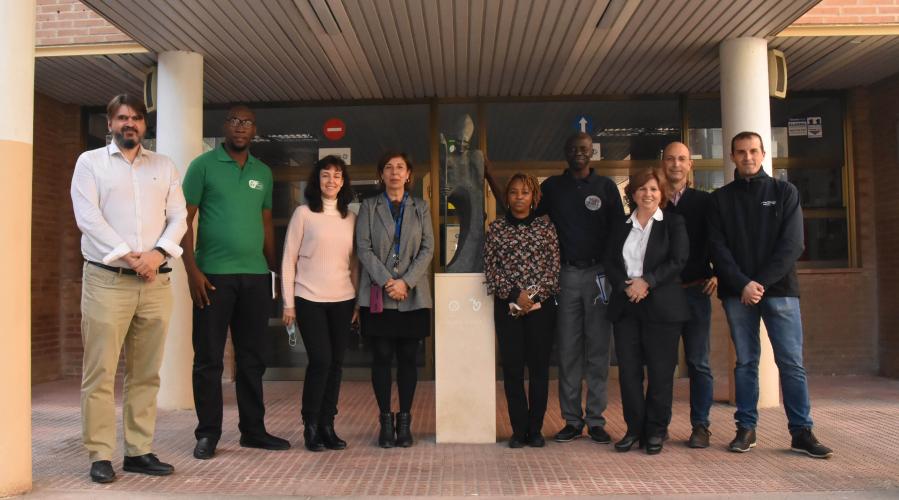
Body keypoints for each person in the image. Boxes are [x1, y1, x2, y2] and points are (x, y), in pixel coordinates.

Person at [71, 93, 187, 482]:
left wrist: (156, 255)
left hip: (155, 282)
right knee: (100, 373)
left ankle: (139, 451)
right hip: (107, 281)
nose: (130, 124)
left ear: (144, 124)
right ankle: (100, 455)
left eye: (136, 118)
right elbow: (88, 217)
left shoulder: (164, 166)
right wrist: (130, 256)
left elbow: (179, 217)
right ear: (110, 123)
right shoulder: (90, 164)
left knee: (146, 373)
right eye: (122, 117)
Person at [708, 131, 833, 459]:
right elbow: (718, 250)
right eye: (740, 152)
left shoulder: (784, 192)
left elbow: (793, 244)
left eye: (753, 151)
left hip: (779, 292)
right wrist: (743, 284)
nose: (747, 157)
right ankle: (745, 429)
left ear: (763, 154)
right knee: (746, 362)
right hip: (738, 294)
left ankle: (802, 432)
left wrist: (758, 283)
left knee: (790, 363)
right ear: (732, 156)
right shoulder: (721, 199)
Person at [181, 105, 290, 460]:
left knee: (252, 358)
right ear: (225, 126)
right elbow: (182, 220)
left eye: (248, 122)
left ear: (255, 129)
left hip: (255, 278)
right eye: (235, 121)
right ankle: (208, 433)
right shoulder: (202, 166)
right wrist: (192, 270)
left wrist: (274, 272)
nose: (241, 127)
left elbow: (266, 223)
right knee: (208, 359)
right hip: (212, 277)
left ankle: (253, 431)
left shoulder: (263, 172)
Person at [537, 132, 625, 444]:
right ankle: (572, 420)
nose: (579, 153)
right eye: (573, 148)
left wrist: (615, 275)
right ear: (565, 151)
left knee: (599, 350)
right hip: (565, 275)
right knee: (569, 351)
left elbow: (619, 233)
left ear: (592, 153)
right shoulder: (551, 187)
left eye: (584, 149)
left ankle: (596, 419)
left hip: (599, 275)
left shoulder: (606, 188)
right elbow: (533, 223)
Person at [604, 168, 689, 455]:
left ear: (661, 193)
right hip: (627, 306)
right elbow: (610, 262)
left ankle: (656, 431)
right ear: (633, 193)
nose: (647, 194)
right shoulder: (620, 226)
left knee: (660, 372)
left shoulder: (673, 223)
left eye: (653, 189)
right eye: (641, 189)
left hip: (662, 308)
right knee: (628, 373)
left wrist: (647, 282)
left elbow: (678, 260)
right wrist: (625, 285)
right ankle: (634, 429)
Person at [355, 151, 434, 448]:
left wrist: (406, 282)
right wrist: (389, 281)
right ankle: (385, 420)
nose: (394, 172)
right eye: (388, 167)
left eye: (400, 167)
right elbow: (363, 249)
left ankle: (405, 421)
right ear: (381, 175)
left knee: (408, 360)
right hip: (379, 292)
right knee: (382, 357)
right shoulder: (368, 206)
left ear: (409, 175)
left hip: (412, 295)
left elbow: (428, 248)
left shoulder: (421, 207)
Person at [281, 156, 359, 452]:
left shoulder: (350, 218)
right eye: (326, 175)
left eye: (337, 176)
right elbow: (288, 259)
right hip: (308, 298)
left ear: (343, 182)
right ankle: (310, 425)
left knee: (337, 364)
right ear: (318, 180)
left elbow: (354, 263)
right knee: (321, 360)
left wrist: (356, 301)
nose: (331, 181)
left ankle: (328, 425)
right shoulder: (303, 214)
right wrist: (288, 303)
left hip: (342, 299)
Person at [485, 173, 561, 448]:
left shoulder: (545, 228)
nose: (519, 197)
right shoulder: (495, 229)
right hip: (508, 308)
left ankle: (535, 429)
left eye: (525, 192)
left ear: (534, 197)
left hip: (541, 309)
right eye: (514, 192)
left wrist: (532, 295)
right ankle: (519, 430)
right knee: (513, 371)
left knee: (539, 370)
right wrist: (517, 295)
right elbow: (491, 272)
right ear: (507, 197)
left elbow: (554, 269)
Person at [660, 142, 717, 448]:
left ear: (690, 165)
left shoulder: (705, 202)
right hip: (663, 296)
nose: (676, 164)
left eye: (682, 159)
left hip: (696, 290)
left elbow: (719, 240)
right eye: (670, 159)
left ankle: (701, 426)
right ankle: (660, 425)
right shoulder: (653, 201)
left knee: (699, 362)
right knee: (663, 364)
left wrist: (718, 272)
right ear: (663, 164)